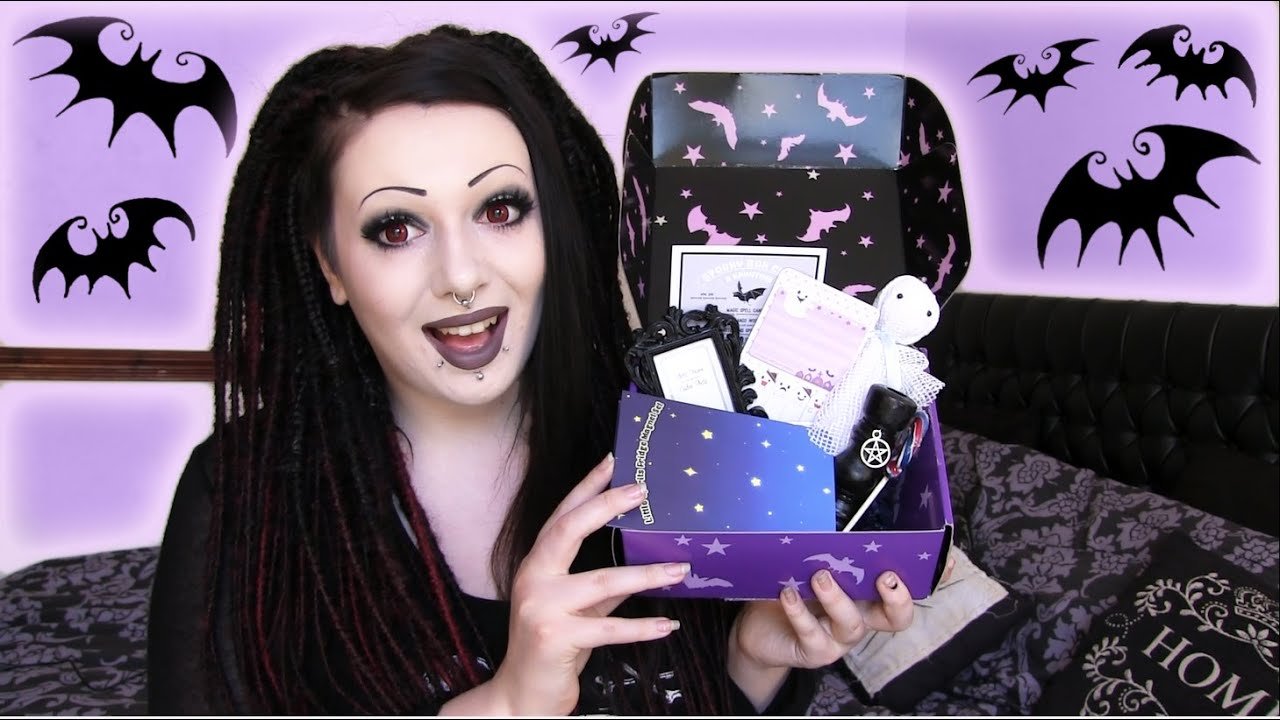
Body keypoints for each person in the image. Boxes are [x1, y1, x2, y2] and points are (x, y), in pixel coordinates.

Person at [146, 24, 918, 715]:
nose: (461, 275)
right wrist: (506, 706)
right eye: (397, 228)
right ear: (330, 266)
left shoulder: (671, 443)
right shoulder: (242, 491)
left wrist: (750, 662)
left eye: (500, 210)